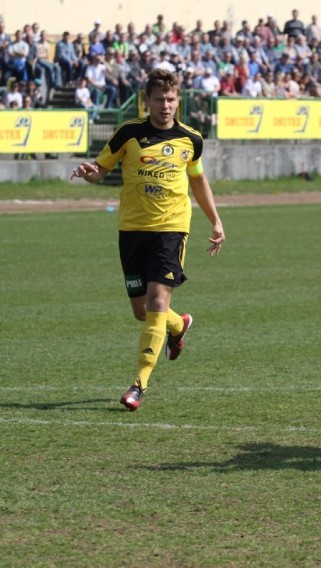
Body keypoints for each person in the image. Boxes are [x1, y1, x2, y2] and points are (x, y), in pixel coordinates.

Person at [69, 68, 226, 411]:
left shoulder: (191, 139)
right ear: (148, 101)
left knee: (157, 301)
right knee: (143, 312)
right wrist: (88, 173)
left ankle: (138, 385)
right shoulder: (129, 133)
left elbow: (198, 181)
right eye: (159, 99)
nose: (165, 106)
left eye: (171, 99)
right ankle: (178, 323)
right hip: (132, 230)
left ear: (178, 100)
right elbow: (101, 170)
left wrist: (215, 220)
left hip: (171, 229)